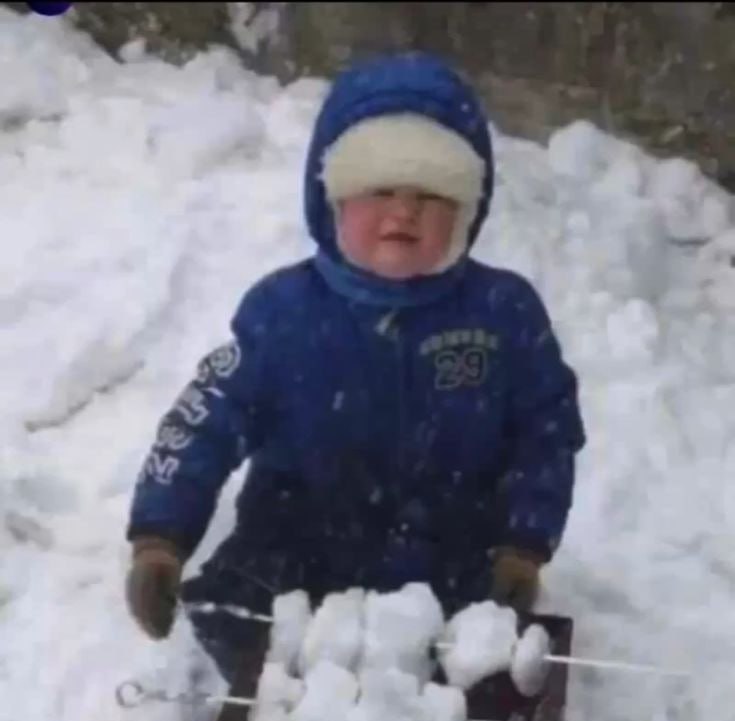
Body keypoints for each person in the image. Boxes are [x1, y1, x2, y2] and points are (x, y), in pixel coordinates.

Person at [124, 51, 586, 683]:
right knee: (238, 609)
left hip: (446, 542)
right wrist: (161, 538)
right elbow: (205, 420)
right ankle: (283, 694)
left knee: (468, 650)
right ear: (333, 200)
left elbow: (546, 431)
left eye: (430, 195)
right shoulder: (283, 311)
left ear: (468, 209)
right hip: (300, 538)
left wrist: (523, 545)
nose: (403, 213)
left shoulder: (503, 313)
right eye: (379, 192)